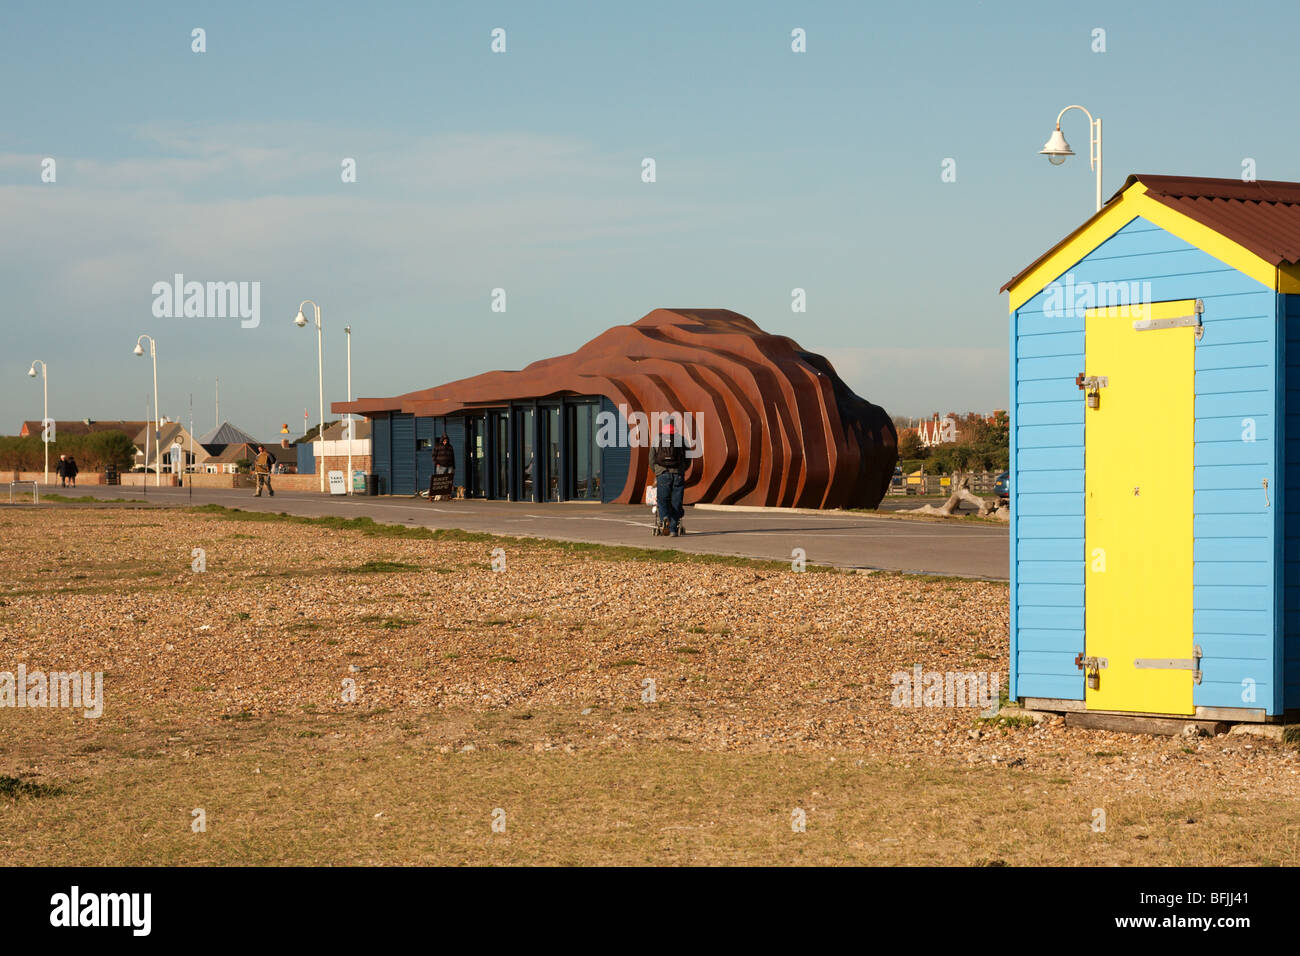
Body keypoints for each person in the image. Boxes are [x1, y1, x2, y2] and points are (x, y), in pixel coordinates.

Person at [650, 419, 688, 536]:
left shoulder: (657, 439)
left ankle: (664, 518)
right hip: (678, 474)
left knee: (662, 499)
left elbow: (651, 458)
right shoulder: (681, 439)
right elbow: (688, 459)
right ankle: (673, 529)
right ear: (675, 426)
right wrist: (682, 470)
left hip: (663, 474)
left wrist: (657, 472)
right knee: (676, 501)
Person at [431, 434, 455, 501]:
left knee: (448, 482)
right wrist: (437, 463)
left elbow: (453, 457)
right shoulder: (437, 446)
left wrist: (454, 467)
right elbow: (433, 456)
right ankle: (438, 496)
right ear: (442, 440)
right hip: (441, 466)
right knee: (440, 481)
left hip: (450, 466)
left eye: (446, 441)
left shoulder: (450, 447)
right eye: (444, 441)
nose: (445, 442)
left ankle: (447, 496)